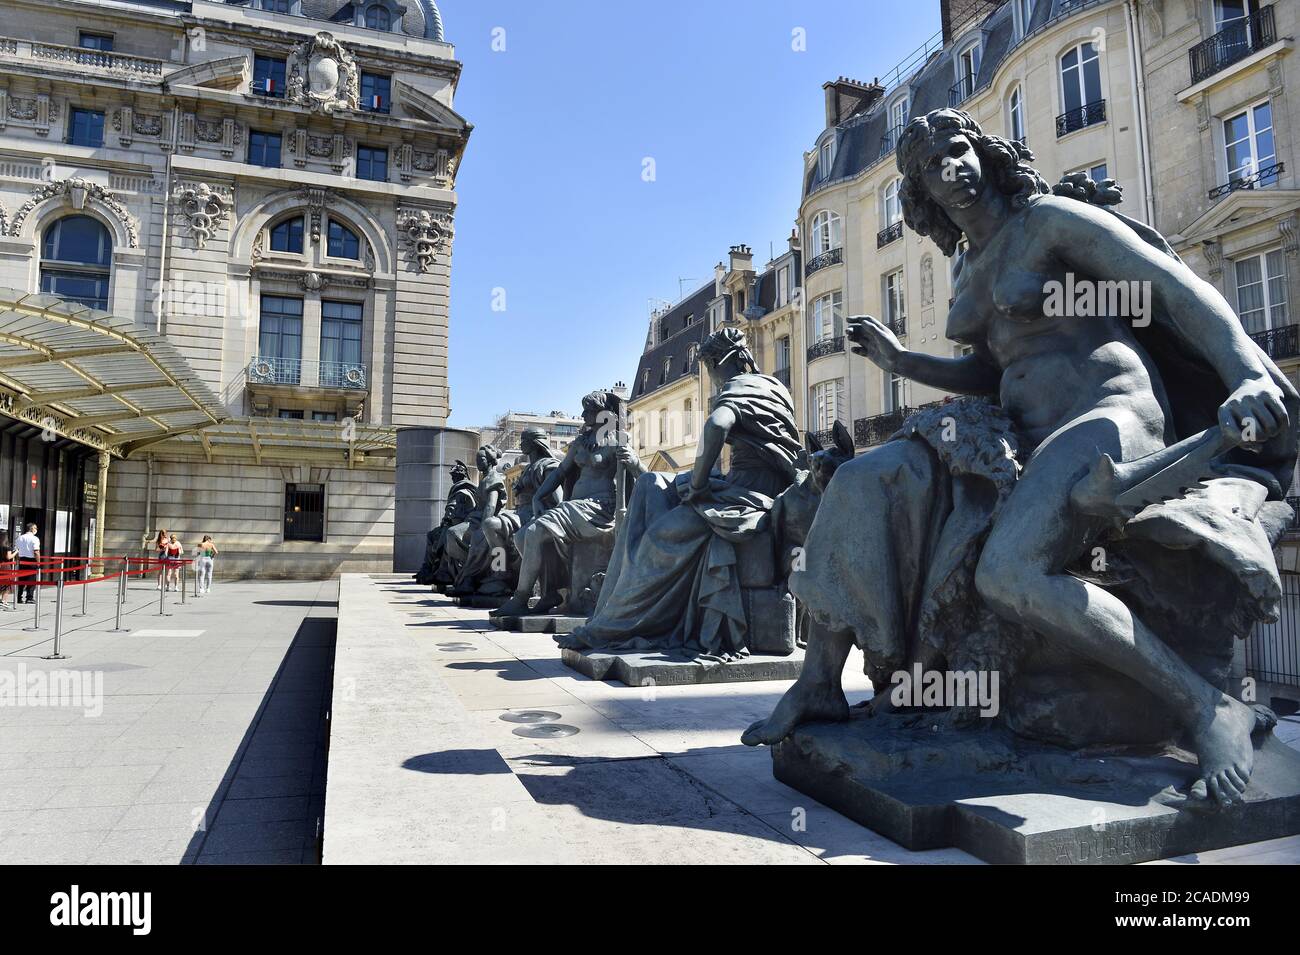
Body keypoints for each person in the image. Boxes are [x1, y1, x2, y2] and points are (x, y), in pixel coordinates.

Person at [743, 108, 1297, 806]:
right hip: (1022, 436)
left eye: (960, 150)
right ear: (923, 197)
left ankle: (1208, 707)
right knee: (863, 478)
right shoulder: (969, 269)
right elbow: (996, 367)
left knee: (1008, 570)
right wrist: (903, 360)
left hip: (1108, 417)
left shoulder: (1050, 221)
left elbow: (1175, 289)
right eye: (934, 169)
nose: (954, 170)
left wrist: (1246, 373)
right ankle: (819, 681)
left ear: (985, 152)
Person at [557, 328, 801, 658]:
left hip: (747, 499)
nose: (712, 380)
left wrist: (699, 486)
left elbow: (717, 425)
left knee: (657, 540)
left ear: (719, 363)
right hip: (743, 487)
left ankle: (614, 624)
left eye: (710, 371)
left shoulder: (738, 388)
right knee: (650, 483)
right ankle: (609, 609)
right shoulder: (774, 387)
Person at [16, 523, 40, 605]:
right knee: (31, 580)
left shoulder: (20, 538)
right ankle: (29, 597)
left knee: (21, 580)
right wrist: (38, 563)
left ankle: (19, 597)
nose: (36, 530)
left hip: (22, 560)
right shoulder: (35, 539)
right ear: (31, 529)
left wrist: (18, 560)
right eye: (35, 528)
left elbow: (17, 550)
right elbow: (36, 552)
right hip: (31, 560)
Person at [0, 532, 15, 611]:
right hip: (6, 566)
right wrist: (15, 552)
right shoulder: (7, 546)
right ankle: (4, 601)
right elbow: (9, 557)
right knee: (7, 583)